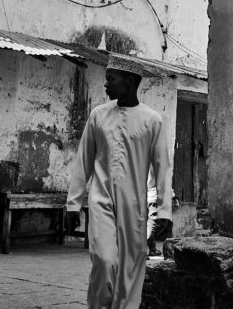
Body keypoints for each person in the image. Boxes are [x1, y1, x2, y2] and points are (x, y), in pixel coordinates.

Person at [66, 53, 173, 309]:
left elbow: (162, 168)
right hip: (100, 200)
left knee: (131, 267)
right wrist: (73, 204)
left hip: (134, 206)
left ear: (129, 81)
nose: (105, 84)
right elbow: (83, 161)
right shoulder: (98, 116)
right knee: (104, 261)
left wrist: (165, 210)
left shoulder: (152, 120)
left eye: (110, 79)